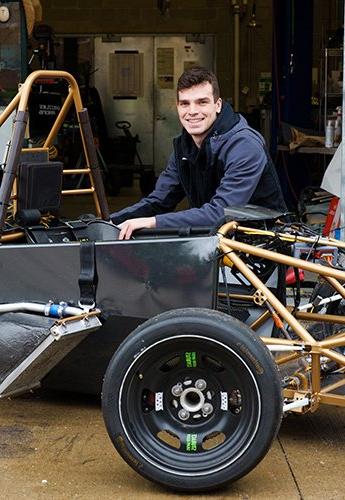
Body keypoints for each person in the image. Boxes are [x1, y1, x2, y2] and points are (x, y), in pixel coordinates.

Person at [111, 66, 286, 239]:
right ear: (177, 107)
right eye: (185, 103)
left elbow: (221, 213)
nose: (192, 111)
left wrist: (152, 222)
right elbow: (159, 201)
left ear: (218, 105)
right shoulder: (184, 146)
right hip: (218, 243)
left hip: (265, 246)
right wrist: (109, 222)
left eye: (202, 102)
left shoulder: (245, 146)